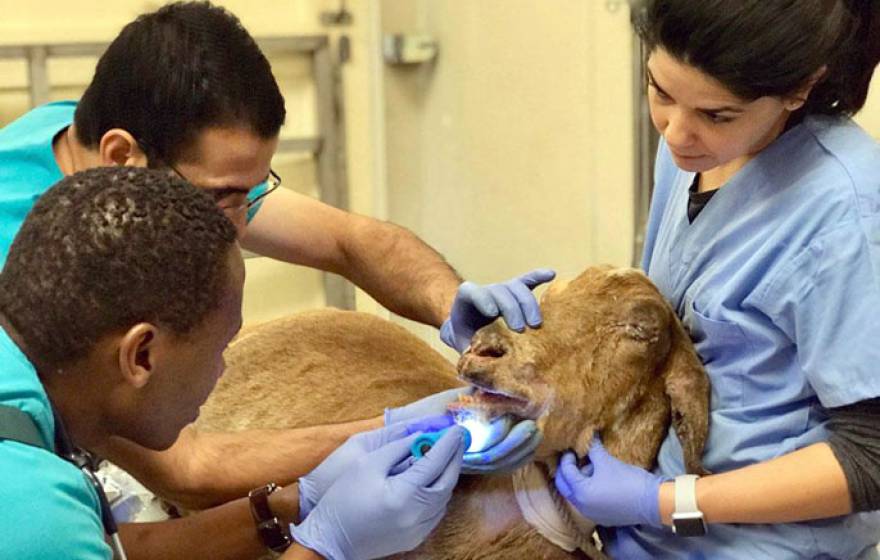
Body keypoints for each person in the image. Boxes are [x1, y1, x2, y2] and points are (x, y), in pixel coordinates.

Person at [0, 0, 549, 550]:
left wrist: (451, 302)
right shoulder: (36, 499)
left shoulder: (95, 151)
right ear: (122, 157)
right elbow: (187, 466)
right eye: (224, 196)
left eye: (251, 192)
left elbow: (348, 240)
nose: (239, 222)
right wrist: (406, 432)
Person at [0, 166, 467, 560]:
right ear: (141, 356)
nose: (223, 370)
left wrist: (293, 503)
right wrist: (326, 546)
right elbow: (59, 539)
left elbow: (114, 547)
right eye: (219, 347)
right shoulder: (36, 516)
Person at [551, 1, 880, 558]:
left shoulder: (844, 211)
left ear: (800, 89)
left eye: (717, 114)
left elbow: (871, 454)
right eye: (660, 91)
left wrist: (668, 501)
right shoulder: (694, 154)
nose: (677, 132)